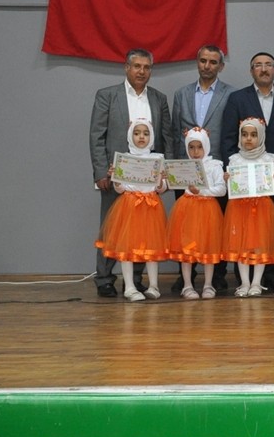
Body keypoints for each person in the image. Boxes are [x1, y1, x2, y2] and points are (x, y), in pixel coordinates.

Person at [89, 48, 174, 298]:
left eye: (147, 67)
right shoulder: (107, 95)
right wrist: (101, 172)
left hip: (147, 180)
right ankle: (105, 279)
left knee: (142, 232)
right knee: (111, 228)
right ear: (126, 67)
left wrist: (166, 175)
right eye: (137, 66)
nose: (141, 71)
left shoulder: (159, 99)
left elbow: (167, 138)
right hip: (116, 176)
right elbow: (96, 136)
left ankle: (135, 280)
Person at [221, 52, 274, 291]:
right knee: (243, 229)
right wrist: (233, 171)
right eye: (258, 65)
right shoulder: (237, 99)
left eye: (268, 65)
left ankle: (273, 276)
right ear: (251, 70)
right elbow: (228, 138)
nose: (264, 69)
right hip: (244, 176)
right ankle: (243, 279)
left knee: (273, 225)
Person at [170, 45, 233, 293]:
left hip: (215, 167)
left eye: (213, 62)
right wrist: (173, 166)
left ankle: (216, 276)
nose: (207, 66)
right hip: (185, 168)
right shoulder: (181, 93)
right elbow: (175, 131)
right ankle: (186, 276)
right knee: (185, 227)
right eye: (203, 61)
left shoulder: (231, 94)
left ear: (221, 66)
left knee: (214, 226)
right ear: (197, 62)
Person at [95, 119, 169, 302]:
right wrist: (116, 178)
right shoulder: (124, 159)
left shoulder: (157, 159)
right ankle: (129, 286)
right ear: (130, 136)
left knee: (152, 247)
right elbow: (120, 189)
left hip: (151, 207)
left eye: (146, 133)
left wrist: (162, 181)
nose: (141, 137)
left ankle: (153, 285)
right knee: (126, 247)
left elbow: (161, 188)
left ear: (151, 137)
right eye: (136, 133)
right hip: (129, 207)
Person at [221, 118, 274, 297]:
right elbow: (232, 187)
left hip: (261, 208)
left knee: (260, 245)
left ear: (261, 137)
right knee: (241, 245)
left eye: (253, 135)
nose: (248, 139)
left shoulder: (267, 159)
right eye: (244, 135)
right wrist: (228, 180)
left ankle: (257, 282)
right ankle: (244, 283)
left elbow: (271, 185)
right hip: (239, 208)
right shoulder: (235, 160)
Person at [166, 127, 226, 300]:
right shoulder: (183, 166)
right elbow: (173, 183)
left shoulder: (215, 166)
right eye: (191, 147)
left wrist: (201, 191)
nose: (195, 151)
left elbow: (221, 190)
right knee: (186, 248)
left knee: (208, 247)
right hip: (187, 210)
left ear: (206, 146)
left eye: (199, 147)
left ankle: (208, 284)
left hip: (208, 211)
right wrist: (165, 178)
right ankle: (187, 285)